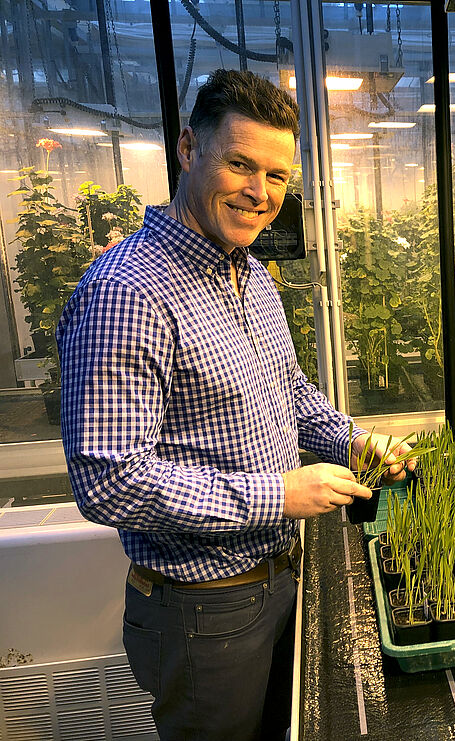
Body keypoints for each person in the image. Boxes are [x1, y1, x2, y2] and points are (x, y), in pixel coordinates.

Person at [56, 68, 411, 741]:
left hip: (278, 582)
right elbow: (109, 481)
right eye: (240, 164)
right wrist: (276, 495)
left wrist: (355, 442)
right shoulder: (128, 290)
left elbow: (292, 394)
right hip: (203, 612)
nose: (260, 192)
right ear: (189, 149)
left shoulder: (247, 274)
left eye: (277, 176)